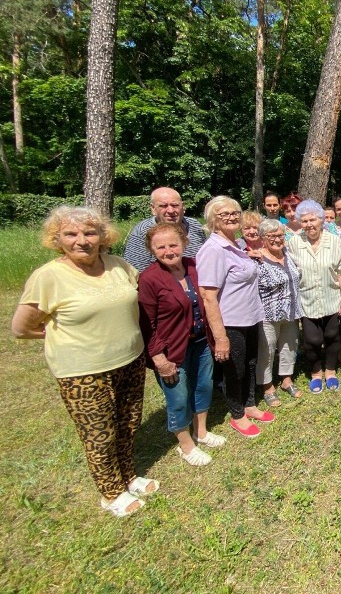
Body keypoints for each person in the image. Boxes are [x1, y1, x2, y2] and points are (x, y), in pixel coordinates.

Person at [12, 206, 157, 517]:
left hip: (129, 358)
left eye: (90, 232)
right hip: (83, 370)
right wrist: (63, 337)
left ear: (103, 236)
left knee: (128, 423)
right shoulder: (48, 276)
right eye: (71, 234)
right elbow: (21, 328)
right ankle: (110, 492)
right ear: (57, 239)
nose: (82, 240)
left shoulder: (119, 266)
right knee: (99, 433)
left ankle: (129, 475)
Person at [138, 222, 226, 467]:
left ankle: (201, 431)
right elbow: (147, 324)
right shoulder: (149, 278)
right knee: (178, 397)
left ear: (184, 243)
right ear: (152, 250)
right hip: (171, 351)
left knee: (203, 387)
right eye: (161, 247)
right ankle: (185, 445)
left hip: (200, 342)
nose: (168, 251)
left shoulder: (194, 267)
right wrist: (158, 358)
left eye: (173, 244)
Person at [196, 196, 272, 439]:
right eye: (223, 214)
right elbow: (208, 296)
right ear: (212, 220)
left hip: (251, 316)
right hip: (231, 322)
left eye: (234, 213)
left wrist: (251, 257)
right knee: (234, 370)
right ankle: (237, 413)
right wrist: (220, 337)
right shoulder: (212, 250)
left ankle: (250, 404)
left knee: (250, 363)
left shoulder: (236, 245)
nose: (230, 217)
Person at [287, 199, 341, 393]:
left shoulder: (333, 241)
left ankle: (330, 371)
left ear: (321, 220)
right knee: (311, 340)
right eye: (304, 221)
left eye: (312, 220)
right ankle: (315, 373)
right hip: (307, 301)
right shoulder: (294, 242)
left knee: (332, 336)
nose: (309, 225)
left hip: (331, 297)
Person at [255, 219, 305, 406]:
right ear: (262, 238)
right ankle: (267, 386)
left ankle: (286, 380)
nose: (277, 239)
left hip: (291, 311)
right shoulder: (256, 258)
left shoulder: (287, 253)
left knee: (289, 346)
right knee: (266, 351)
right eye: (272, 236)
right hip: (268, 314)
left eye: (280, 235)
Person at [124, 187, 207, 272]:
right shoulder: (142, 231)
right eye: (163, 206)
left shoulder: (195, 225)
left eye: (175, 205)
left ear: (183, 206)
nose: (170, 210)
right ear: (153, 209)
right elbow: (135, 272)